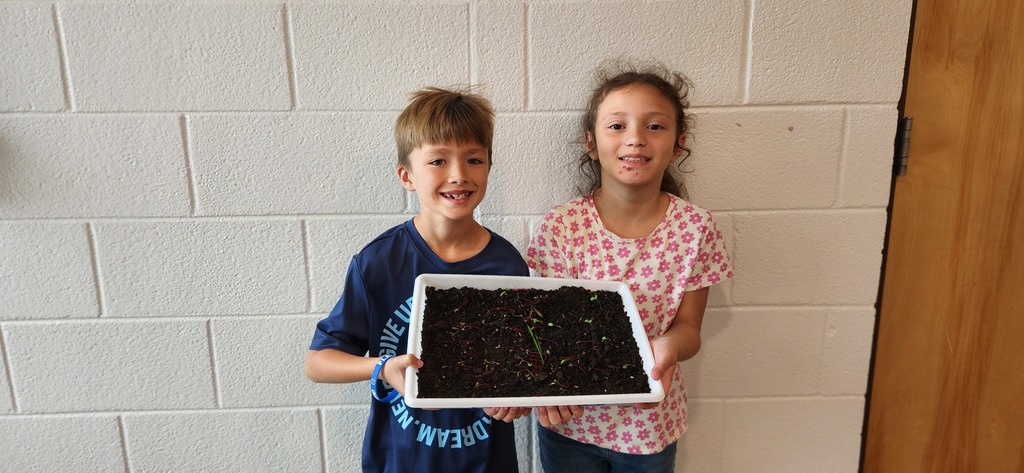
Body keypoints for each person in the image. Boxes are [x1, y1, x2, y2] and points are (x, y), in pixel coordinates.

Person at [305, 86, 530, 473]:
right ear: (406, 176)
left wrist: (517, 400)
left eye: (474, 159)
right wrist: (381, 368)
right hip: (401, 461)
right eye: (439, 160)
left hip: (486, 461)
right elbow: (318, 362)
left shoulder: (508, 264)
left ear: (489, 167)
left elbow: (519, 369)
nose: (458, 175)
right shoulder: (378, 262)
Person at [525, 61, 733, 472]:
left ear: (678, 144)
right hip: (569, 424)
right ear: (591, 142)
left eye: (654, 126)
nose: (635, 139)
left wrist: (669, 348)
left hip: (648, 424)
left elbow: (689, 329)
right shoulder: (563, 225)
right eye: (617, 126)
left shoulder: (695, 228)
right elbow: (543, 325)